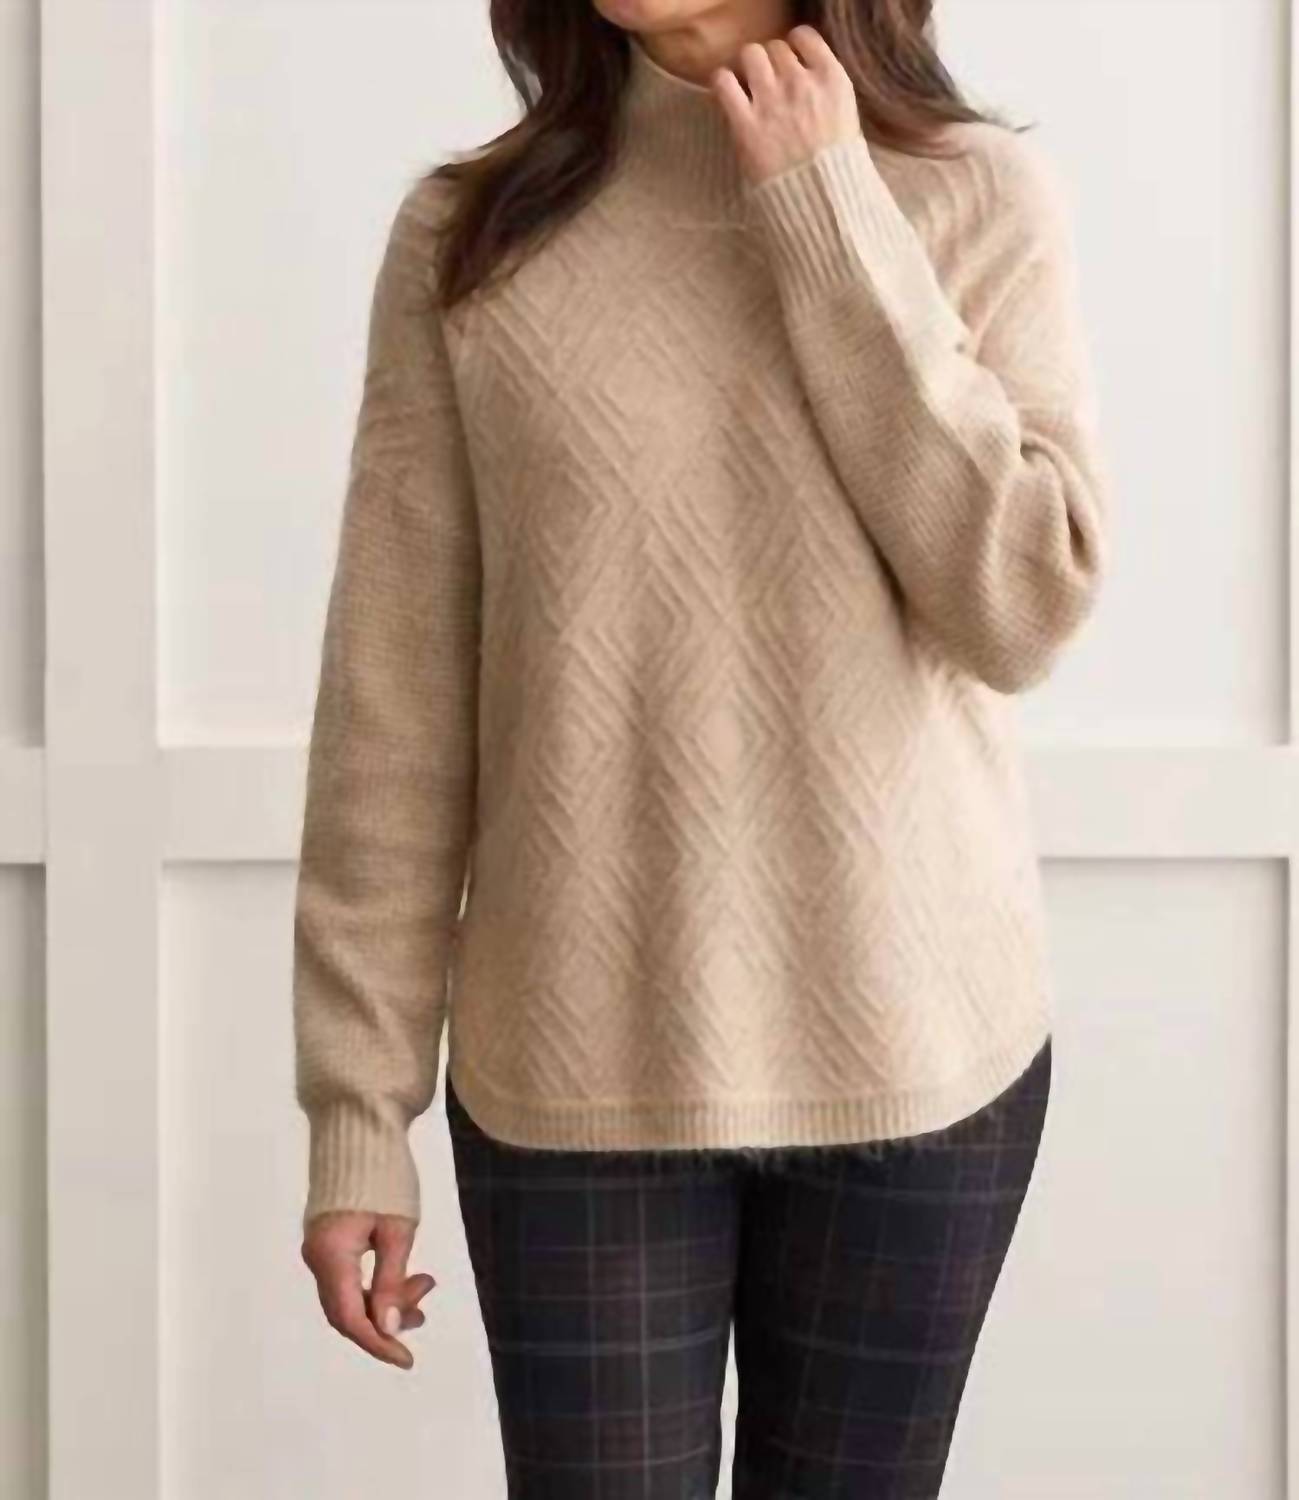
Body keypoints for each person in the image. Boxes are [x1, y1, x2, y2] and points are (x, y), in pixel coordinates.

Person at [293, 1, 1107, 1494]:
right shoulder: (469, 237)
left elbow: (1022, 605)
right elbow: (392, 704)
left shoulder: (972, 195)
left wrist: (827, 210)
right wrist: (359, 1111)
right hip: (576, 1064)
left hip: (916, 1052)